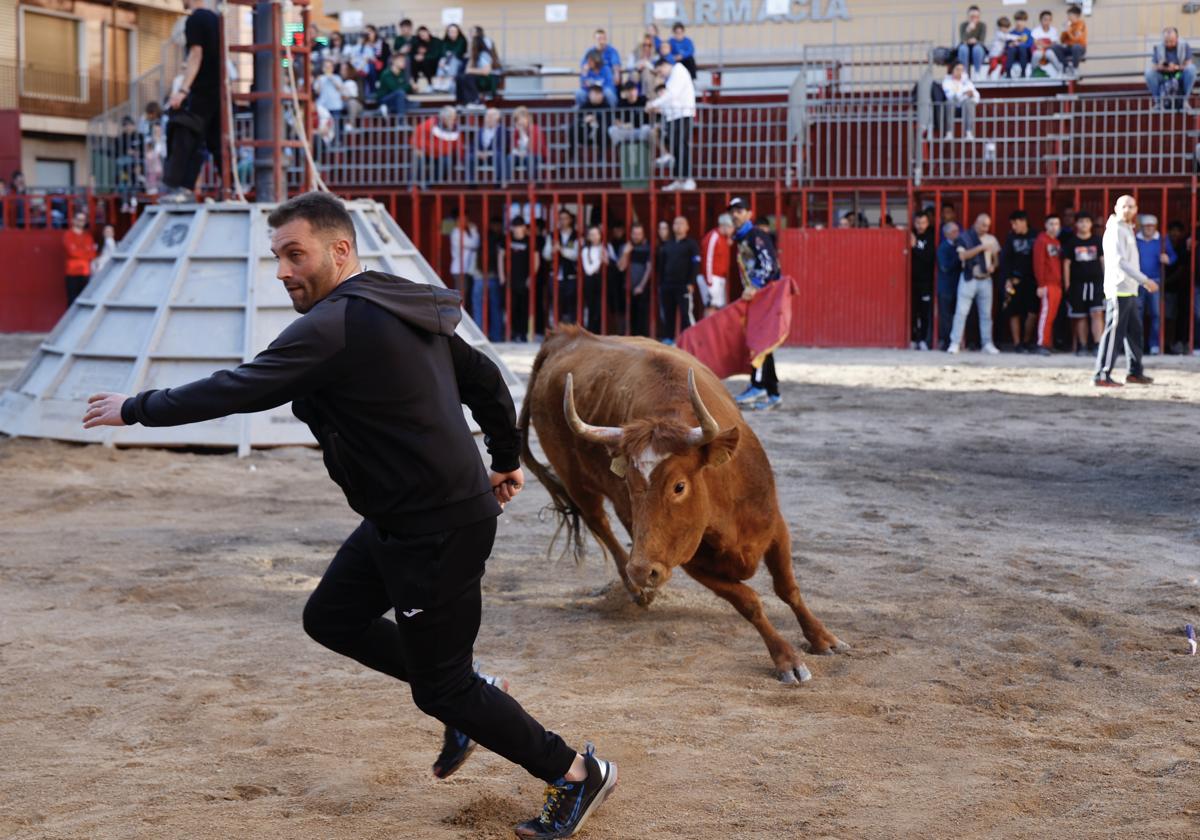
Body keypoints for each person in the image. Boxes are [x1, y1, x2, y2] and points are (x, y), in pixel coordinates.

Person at [82, 192, 618, 839]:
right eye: (277, 257)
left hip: (437, 526)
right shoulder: (400, 300)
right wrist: (504, 458)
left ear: (340, 251)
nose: (282, 270)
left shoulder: (335, 325)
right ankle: (474, 693)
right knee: (331, 617)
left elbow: (237, 388)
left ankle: (575, 772)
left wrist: (135, 408)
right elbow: (481, 379)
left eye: (294, 254)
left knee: (440, 690)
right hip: (402, 518)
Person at [1095, 195, 1159, 387]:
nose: (1128, 209)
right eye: (1124, 206)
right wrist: (1144, 280)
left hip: (1130, 289)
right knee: (1114, 333)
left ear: (1136, 209)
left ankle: (1134, 372)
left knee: (1135, 333)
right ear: (1116, 208)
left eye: (1131, 206)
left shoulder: (1127, 229)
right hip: (1118, 288)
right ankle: (1101, 374)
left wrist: (1138, 283)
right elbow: (1119, 262)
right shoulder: (1115, 229)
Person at [161, 0, 221, 203]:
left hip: (202, 89)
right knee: (216, 142)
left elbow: (196, 54)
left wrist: (183, 90)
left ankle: (182, 189)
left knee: (186, 135)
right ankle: (228, 187)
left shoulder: (195, 20)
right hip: (219, 90)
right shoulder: (216, 20)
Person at [728, 197, 783, 408]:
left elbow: (770, 266)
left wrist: (754, 287)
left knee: (759, 341)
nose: (735, 214)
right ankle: (773, 392)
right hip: (760, 296)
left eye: (740, 210)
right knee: (764, 343)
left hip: (765, 296)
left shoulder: (756, 235)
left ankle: (758, 385)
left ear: (749, 214)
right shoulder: (742, 238)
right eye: (733, 211)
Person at [949, 213, 1001, 355]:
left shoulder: (992, 239)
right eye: (983, 225)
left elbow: (996, 259)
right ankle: (955, 343)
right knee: (961, 312)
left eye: (988, 226)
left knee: (986, 315)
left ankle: (987, 343)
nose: (985, 228)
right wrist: (980, 248)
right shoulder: (965, 237)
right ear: (976, 223)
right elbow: (962, 256)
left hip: (986, 280)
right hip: (969, 278)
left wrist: (994, 267)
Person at [646, 58, 696, 191]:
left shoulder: (678, 71)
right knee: (675, 148)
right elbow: (671, 100)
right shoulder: (672, 77)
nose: (660, 74)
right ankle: (679, 179)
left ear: (665, 65)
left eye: (660, 71)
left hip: (683, 115)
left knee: (681, 147)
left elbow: (671, 95)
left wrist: (653, 104)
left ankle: (688, 178)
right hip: (674, 116)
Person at [1062, 211, 1105, 355]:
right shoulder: (1071, 242)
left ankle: (1098, 344)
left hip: (1097, 283)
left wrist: (1106, 281)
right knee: (1080, 316)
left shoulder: (1098, 241)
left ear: (1091, 224)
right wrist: (1067, 284)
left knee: (1097, 313)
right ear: (1076, 224)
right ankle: (1083, 345)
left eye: (1087, 221)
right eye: (1080, 221)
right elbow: (1066, 264)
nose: (1084, 224)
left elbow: (1103, 261)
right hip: (1077, 284)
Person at [1134, 214, 1177, 356]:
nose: (1149, 229)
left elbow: (1174, 257)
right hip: (1138, 281)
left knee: (1156, 314)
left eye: (1152, 226)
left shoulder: (1162, 240)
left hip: (1156, 281)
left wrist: (1168, 259)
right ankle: (1138, 344)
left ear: (1156, 227)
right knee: (1137, 314)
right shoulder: (1135, 239)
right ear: (1141, 227)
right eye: (1146, 226)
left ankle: (1154, 345)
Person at [656, 216, 700, 344]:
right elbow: (661, 266)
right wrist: (661, 284)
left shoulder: (691, 244)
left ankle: (688, 340)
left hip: (684, 285)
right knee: (668, 314)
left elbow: (695, 264)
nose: (678, 226)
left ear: (687, 227)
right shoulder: (667, 245)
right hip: (667, 285)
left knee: (686, 314)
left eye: (682, 223)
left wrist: (691, 282)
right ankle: (669, 339)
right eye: (676, 223)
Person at [999, 210, 1037, 352]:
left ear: (1023, 221)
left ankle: (1026, 341)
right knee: (1014, 312)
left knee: (1032, 312)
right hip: (1015, 280)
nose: (1013, 227)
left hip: (1033, 280)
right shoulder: (1010, 238)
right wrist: (1008, 279)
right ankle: (1017, 344)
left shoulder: (1036, 236)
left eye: (1015, 223)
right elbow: (1005, 261)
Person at [499, 217, 541, 341]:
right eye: (515, 227)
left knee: (524, 308)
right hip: (510, 280)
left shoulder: (530, 241)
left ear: (524, 227)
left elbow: (536, 260)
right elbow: (500, 257)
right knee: (511, 308)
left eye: (519, 226)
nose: (517, 229)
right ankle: (512, 333)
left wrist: (531, 277)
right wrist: (502, 276)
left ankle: (523, 334)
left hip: (525, 280)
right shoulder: (507, 240)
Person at [1032, 214, 1063, 356]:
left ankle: (1048, 342)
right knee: (1046, 315)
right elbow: (1038, 263)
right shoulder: (1041, 240)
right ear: (1046, 225)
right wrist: (1041, 284)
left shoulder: (1056, 242)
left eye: (1056, 224)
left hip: (1057, 284)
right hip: (1047, 284)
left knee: (1052, 316)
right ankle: (1041, 343)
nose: (1054, 227)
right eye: (1051, 224)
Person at [411, 106, 463, 188]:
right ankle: (413, 184)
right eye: (451, 118)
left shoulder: (455, 129)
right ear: (443, 117)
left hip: (442, 155)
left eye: (454, 118)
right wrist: (417, 148)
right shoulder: (430, 124)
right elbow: (417, 134)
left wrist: (460, 160)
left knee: (447, 161)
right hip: (426, 153)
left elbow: (458, 146)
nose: (453, 120)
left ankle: (429, 184)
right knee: (417, 157)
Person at [543, 209, 580, 325]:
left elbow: (576, 255)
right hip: (555, 275)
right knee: (555, 303)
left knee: (571, 303)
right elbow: (545, 254)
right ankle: (557, 328)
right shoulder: (552, 235)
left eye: (565, 218)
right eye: (561, 219)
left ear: (570, 219)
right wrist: (552, 251)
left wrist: (562, 250)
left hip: (571, 275)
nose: (563, 221)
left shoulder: (576, 235)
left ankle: (572, 328)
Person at [1147, 27, 1196, 111]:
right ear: (1163, 39)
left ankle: (1184, 101)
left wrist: (1177, 67)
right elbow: (1154, 66)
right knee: (1149, 73)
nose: (1169, 44)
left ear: (1177, 38)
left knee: (1192, 69)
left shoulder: (1184, 45)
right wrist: (1164, 67)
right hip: (1164, 75)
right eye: (1166, 41)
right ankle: (1158, 102)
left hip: (1180, 75)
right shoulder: (1158, 47)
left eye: (1172, 41)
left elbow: (1188, 64)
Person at [619, 222, 653, 336]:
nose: (637, 236)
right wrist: (625, 253)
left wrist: (641, 286)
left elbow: (649, 269)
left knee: (642, 318)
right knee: (628, 317)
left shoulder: (648, 248)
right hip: (626, 287)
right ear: (631, 234)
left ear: (643, 234)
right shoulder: (625, 247)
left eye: (639, 234)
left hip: (642, 288)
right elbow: (621, 267)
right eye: (634, 233)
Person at [449, 210, 482, 321]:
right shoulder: (456, 233)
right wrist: (474, 230)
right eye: (463, 219)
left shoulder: (464, 232)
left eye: (466, 219)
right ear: (457, 220)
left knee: (466, 296)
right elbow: (474, 244)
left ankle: (464, 322)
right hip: (459, 269)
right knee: (461, 298)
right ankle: (460, 323)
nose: (466, 222)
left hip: (466, 269)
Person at [699, 214, 734, 317]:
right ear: (724, 225)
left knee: (719, 306)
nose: (733, 231)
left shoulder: (724, 238)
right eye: (732, 227)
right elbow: (707, 259)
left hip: (719, 277)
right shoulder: (713, 236)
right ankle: (708, 332)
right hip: (711, 277)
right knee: (711, 306)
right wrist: (709, 281)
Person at [910, 211, 935, 350]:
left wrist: (914, 247)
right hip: (910, 281)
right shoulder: (910, 235)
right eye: (918, 222)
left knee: (925, 311)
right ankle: (913, 338)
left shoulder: (931, 237)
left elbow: (928, 257)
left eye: (923, 222)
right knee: (912, 311)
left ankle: (924, 339)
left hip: (925, 281)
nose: (920, 226)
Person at [1164, 220, 1190, 353]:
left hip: (1173, 288)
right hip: (1157, 285)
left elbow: (1181, 269)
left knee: (1170, 318)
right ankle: (1158, 344)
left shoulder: (1181, 247)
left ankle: (1169, 344)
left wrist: (1166, 282)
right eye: (1172, 230)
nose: (1174, 233)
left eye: (1177, 230)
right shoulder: (1162, 244)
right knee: (1157, 316)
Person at [936, 221, 962, 351]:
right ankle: (947, 342)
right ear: (946, 234)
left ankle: (955, 341)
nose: (958, 234)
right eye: (954, 232)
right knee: (946, 316)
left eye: (958, 231)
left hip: (958, 286)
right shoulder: (943, 248)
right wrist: (959, 257)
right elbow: (945, 267)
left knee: (957, 315)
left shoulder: (960, 245)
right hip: (946, 288)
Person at [457, 27, 499, 107]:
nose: (470, 46)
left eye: (471, 44)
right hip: (480, 79)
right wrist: (471, 56)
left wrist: (471, 70)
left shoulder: (484, 55)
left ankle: (476, 101)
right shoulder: (474, 56)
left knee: (468, 76)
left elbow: (486, 71)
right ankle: (461, 102)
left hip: (489, 80)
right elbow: (467, 70)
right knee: (460, 77)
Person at [62, 211, 97, 306]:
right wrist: (86, 253)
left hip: (85, 272)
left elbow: (92, 254)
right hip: (72, 273)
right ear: (73, 221)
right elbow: (72, 252)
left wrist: (81, 252)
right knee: (72, 301)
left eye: (83, 220)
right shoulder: (68, 235)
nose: (81, 222)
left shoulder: (88, 236)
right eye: (79, 219)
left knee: (85, 301)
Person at [468, 107, 509, 187]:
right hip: (480, 156)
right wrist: (477, 152)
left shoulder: (502, 130)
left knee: (499, 155)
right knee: (470, 157)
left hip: (494, 156)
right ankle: (472, 183)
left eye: (491, 116)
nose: (488, 119)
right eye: (487, 116)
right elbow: (473, 146)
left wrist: (489, 153)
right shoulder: (480, 130)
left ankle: (498, 183)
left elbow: (503, 147)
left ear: (497, 118)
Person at [579, 225, 608, 333]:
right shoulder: (586, 250)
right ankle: (591, 332)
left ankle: (601, 333)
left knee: (601, 309)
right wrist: (600, 260)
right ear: (588, 237)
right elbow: (588, 270)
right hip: (591, 282)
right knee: (592, 309)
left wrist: (606, 260)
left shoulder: (606, 247)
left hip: (603, 281)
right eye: (592, 235)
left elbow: (613, 263)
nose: (595, 237)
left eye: (597, 234)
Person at [941, 62, 980, 140]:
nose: (960, 72)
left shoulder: (967, 81)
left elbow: (976, 94)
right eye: (957, 69)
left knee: (969, 102)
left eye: (962, 70)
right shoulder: (947, 81)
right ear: (952, 70)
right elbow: (950, 95)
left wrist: (970, 94)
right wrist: (964, 93)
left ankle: (969, 132)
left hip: (965, 106)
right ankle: (949, 133)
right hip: (953, 106)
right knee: (950, 102)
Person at [608, 81, 653, 149]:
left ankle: (642, 149)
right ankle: (620, 150)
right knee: (612, 129)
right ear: (625, 92)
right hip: (627, 131)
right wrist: (623, 125)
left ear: (637, 91)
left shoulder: (644, 100)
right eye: (628, 91)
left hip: (640, 130)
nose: (631, 93)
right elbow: (616, 120)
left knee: (647, 129)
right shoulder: (621, 103)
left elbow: (651, 114)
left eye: (633, 90)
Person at [509, 107, 545, 184]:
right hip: (520, 156)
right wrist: (518, 152)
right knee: (510, 157)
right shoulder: (516, 131)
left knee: (529, 157)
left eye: (522, 119)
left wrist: (522, 133)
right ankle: (507, 181)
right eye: (517, 120)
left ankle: (532, 182)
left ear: (528, 119)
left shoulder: (535, 129)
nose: (520, 122)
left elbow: (533, 148)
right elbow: (513, 148)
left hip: (536, 155)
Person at [575, 84, 613, 152]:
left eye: (599, 94)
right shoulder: (584, 106)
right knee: (573, 129)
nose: (597, 96)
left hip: (601, 134)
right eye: (595, 94)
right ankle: (573, 156)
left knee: (604, 131)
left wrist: (596, 120)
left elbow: (609, 121)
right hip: (586, 133)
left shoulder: (606, 106)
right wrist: (585, 120)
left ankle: (601, 158)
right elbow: (578, 119)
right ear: (589, 95)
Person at [377, 53, 413, 118]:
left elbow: (407, 90)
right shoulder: (386, 73)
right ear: (394, 61)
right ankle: (401, 123)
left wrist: (411, 87)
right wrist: (409, 86)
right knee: (400, 93)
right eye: (401, 61)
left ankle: (388, 109)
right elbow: (395, 88)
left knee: (416, 104)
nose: (404, 63)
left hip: (397, 100)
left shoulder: (401, 73)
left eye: (404, 61)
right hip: (385, 99)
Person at [957, 5, 987, 80]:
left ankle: (977, 73)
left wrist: (975, 41)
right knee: (963, 48)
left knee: (977, 48)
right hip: (966, 49)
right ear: (968, 16)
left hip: (977, 49)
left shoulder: (982, 25)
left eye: (976, 16)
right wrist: (968, 29)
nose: (974, 18)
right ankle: (964, 73)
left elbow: (982, 41)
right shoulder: (963, 25)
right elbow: (962, 40)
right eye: (972, 16)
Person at [1030, 10, 1062, 75]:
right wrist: (1045, 45)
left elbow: (1053, 44)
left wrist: (1043, 45)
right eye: (1045, 19)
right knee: (1037, 54)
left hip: (1049, 51)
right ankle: (1033, 71)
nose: (1047, 22)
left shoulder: (1054, 30)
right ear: (1040, 20)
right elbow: (1035, 43)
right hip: (1039, 50)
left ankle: (1060, 71)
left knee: (1049, 53)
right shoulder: (1036, 30)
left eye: (1049, 20)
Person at [1059, 5, 1088, 76]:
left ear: (1077, 15)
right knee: (1054, 47)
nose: (1068, 18)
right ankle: (1067, 67)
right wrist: (1064, 31)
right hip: (1069, 48)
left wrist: (1068, 31)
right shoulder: (1069, 25)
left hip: (1080, 47)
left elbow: (1076, 40)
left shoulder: (1081, 24)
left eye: (1070, 15)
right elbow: (1062, 41)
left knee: (1076, 47)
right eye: (1068, 16)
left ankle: (1075, 68)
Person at [1006, 11, 1034, 79]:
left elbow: (1030, 44)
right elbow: (1007, 45)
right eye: (1017, 20)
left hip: (1025, 55)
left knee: (1022, 47)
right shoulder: (1011, 33)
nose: (1019, 23)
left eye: (1021, 21)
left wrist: (1019, 44)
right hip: (1014, 55)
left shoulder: (1028, 32)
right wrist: (1011, 44)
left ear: (1025, 22)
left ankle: (1023, 72)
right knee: (1011, 49)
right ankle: (1008, 72)